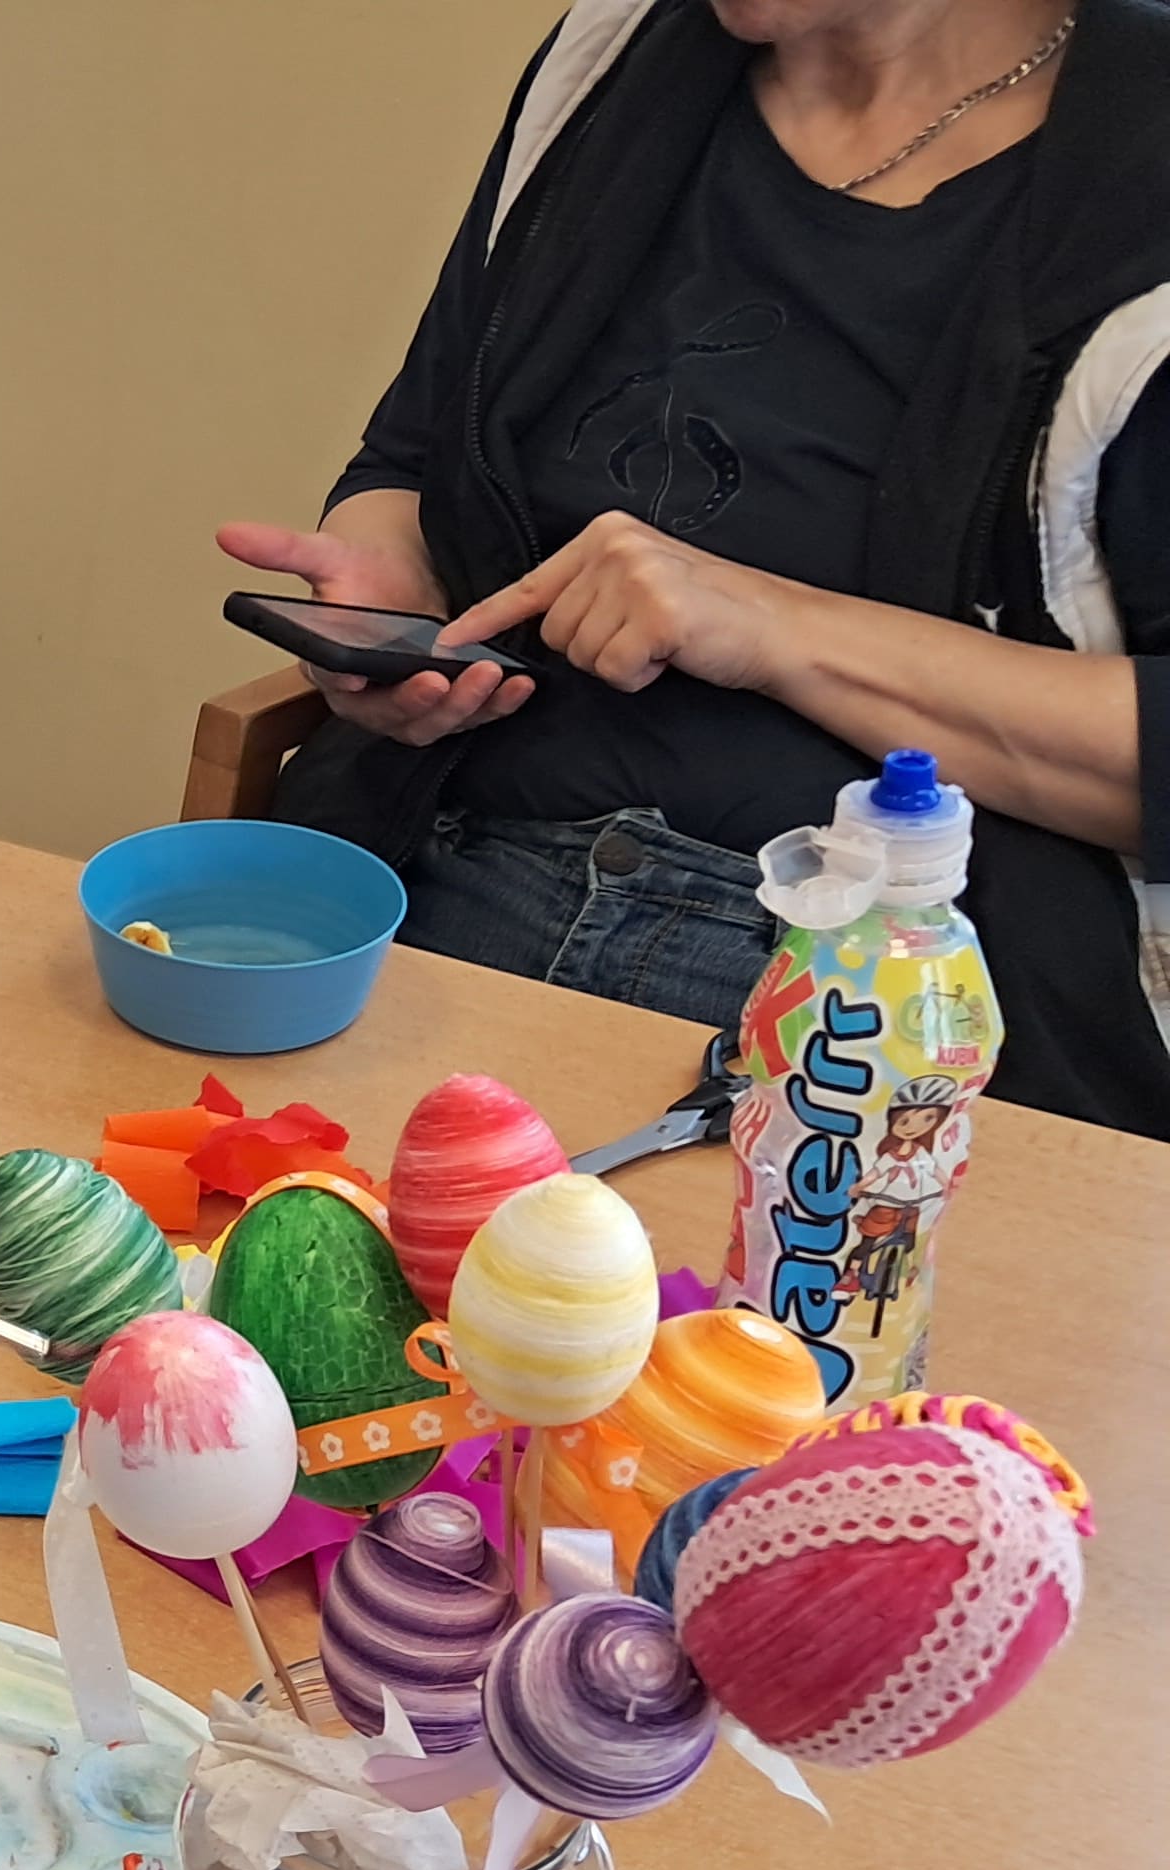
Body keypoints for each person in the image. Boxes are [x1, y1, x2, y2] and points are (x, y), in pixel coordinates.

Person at [219, 0, 1170, 1136]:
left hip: (885, 1025)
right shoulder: (614, 54)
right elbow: (416, 459)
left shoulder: (1135, 165)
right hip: (433, 880)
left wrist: (774, 628)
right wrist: (393, 593)